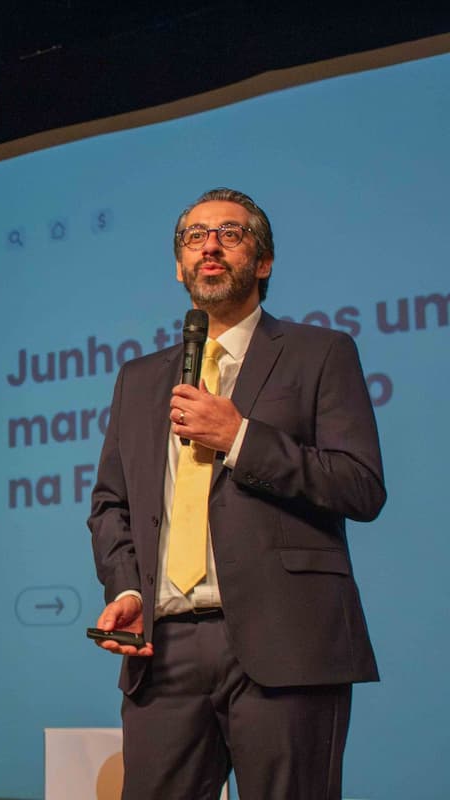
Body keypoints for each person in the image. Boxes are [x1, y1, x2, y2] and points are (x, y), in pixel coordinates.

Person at [88, 188, 385, 799]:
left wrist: (241, 437)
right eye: (195, 238)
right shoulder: (140, 378)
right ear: (180, 267)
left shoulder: (321, 352)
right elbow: (110, 504)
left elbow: (360, 483)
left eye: (231, 233)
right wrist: (125, 584)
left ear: (264, 261)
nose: (211, 246)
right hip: (163, 650)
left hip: (287, 644)